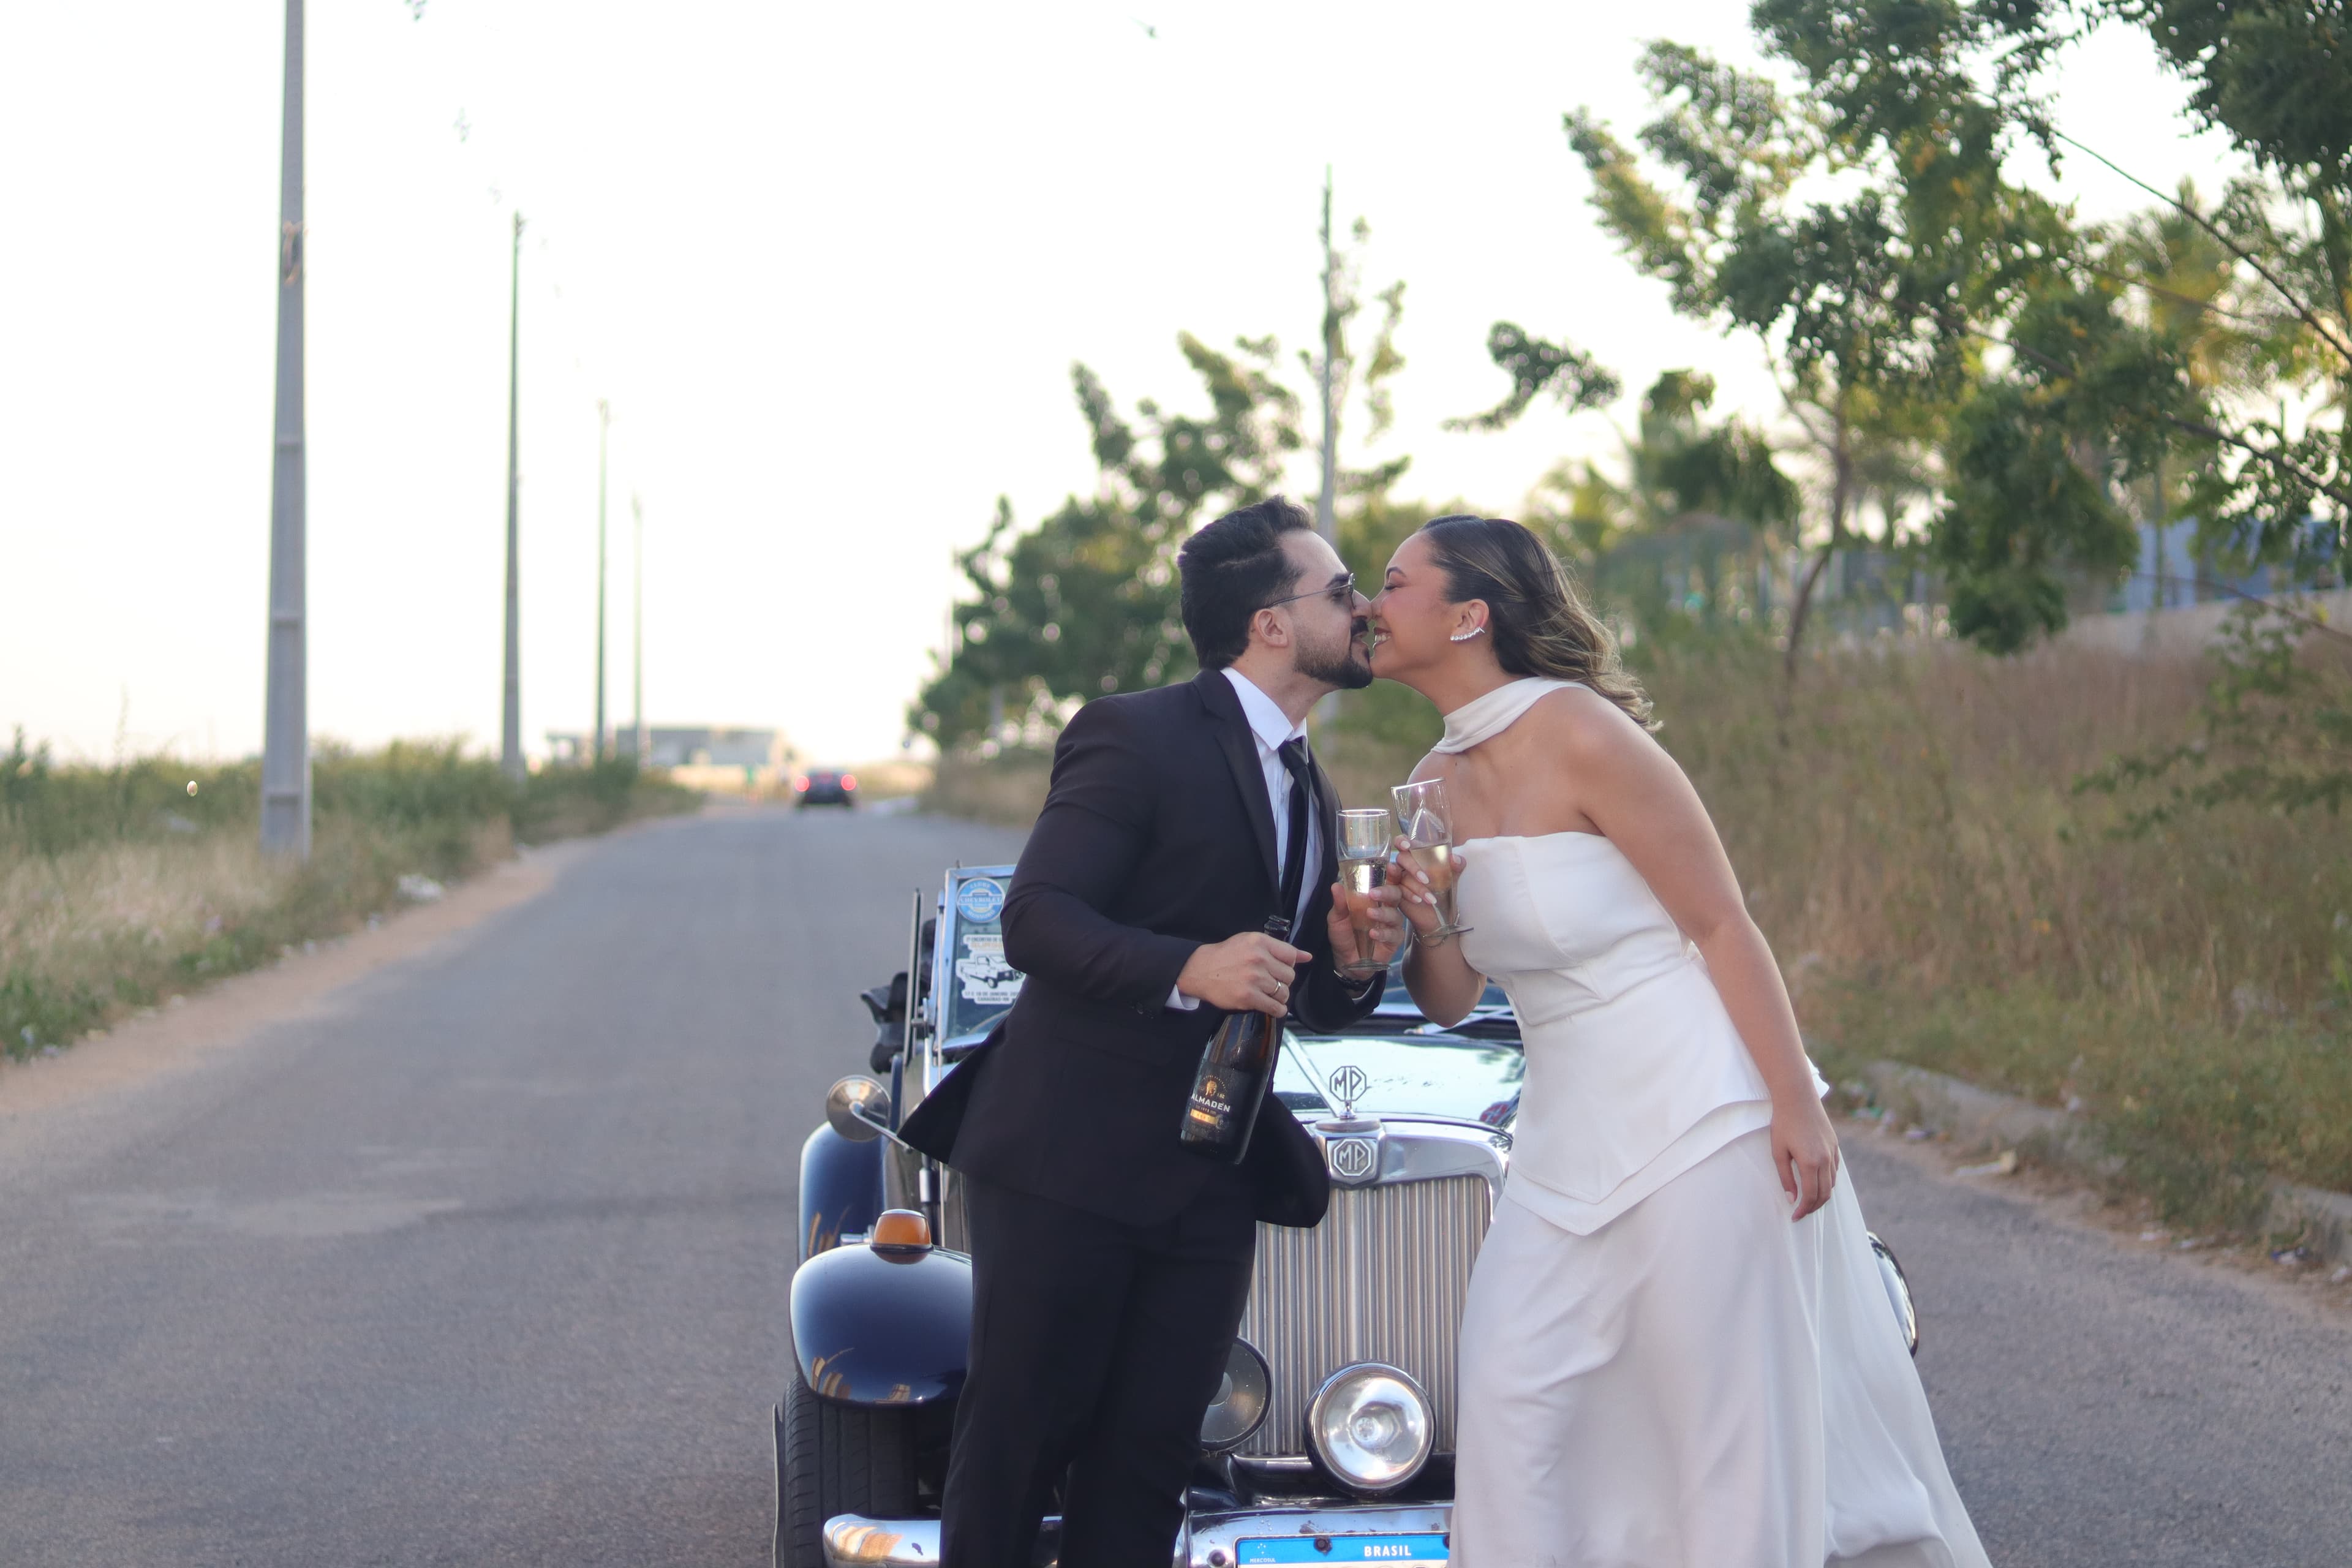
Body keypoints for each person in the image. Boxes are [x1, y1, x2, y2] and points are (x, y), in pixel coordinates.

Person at [1369, 514, 1991, 1567]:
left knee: (1719, 1435)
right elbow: (1452, 998)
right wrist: (1425, 922)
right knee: (1514, 1405)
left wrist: (1794, 1105)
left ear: (1469, 615)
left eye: (1393, 583)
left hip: (1699, 1118)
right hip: (1559, 1153)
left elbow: (1722, 924)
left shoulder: (1584, 733)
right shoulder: (1428, 782)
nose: (1370, 605)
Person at [900, 495, 1407, 1568]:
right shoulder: (1133, 732)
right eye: (1341, 590)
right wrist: (1188, 966)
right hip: (1068, 1160)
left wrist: (1357, 965)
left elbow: (1302, 992)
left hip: (1211, 1168)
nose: (1364, 607)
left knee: (1148, 1464)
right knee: (1017, 1447)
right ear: (1271, 624)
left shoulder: (1310, 784)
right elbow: (1038, 918)